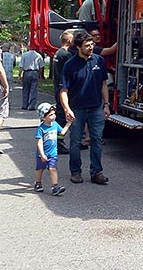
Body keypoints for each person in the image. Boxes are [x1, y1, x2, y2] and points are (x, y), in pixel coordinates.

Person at [60, 30, 110, 185]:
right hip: (77, 109)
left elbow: (103, 84)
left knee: (97, 140)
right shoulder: (70, 65)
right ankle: (75, 172)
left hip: (96, 108)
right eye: (87, 45)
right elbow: (63, 90)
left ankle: (97, 172)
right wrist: (67, 109)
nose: (91, 47)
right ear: (78, 47)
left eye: (92, 44)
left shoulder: (99, 61)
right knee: (75, 142)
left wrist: (106, 104)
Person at [34, 102, 72, 196]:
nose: (54, 116)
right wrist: (42, 154)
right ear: (43, 117)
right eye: (51, 115)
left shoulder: (55, 124)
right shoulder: (41, 129)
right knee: (40, 169)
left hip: (53, 153)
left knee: (53, 168)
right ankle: (38, 183)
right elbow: (39, 142)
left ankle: (55, 187)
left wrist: (69, 123)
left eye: (54, 114)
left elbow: (62, 132)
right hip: (42, 154)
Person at [52, 30, 74, 154]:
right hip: (63, 89)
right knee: (62, 117)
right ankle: (59, 143)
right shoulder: (66, 55)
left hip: (58, 88)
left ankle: (59, 142)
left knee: (61, 115)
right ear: (69, 41)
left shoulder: (58, 53)